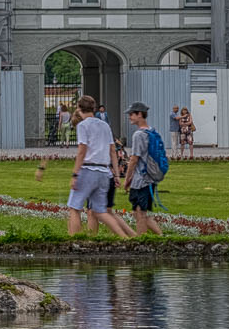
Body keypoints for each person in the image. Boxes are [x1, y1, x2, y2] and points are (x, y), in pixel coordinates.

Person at [63, 96, 134, 239]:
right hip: (104, 171)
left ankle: (75, 240)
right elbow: (112, 150)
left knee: (74, 207)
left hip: (88, 169)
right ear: (94, 108)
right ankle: (125, 238)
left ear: (79, 108)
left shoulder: (83, 125)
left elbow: (82, 150)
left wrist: (75, 174)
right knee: (100, 211)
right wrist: (115, 174)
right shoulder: (104, 125)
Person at [120, 102, 164, 236]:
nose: (129, 117)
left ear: (140, 114)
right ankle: (160, 236)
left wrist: (127, 179)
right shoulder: (152, 131)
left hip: (141, 179)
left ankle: (141, 240)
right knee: (140, 212)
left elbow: (134, 159)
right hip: (150, 177)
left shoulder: (138, 135)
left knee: (139, 213)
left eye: (132, 114)